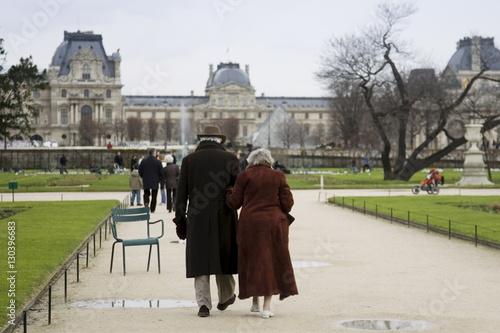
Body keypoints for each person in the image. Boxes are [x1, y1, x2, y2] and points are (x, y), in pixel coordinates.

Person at [174, 125, 240, 318]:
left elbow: (181, 195)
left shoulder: (189, 160)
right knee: (224, 254)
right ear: (219, 140)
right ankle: (225, 296)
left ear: (202, 140)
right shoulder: (230, 159)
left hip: (197, 213)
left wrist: (180, 220)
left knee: (200, 257)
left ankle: (203, 304)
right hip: (224, 212)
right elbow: (239, 190)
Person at [226, 148, 298, 319]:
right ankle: (266, 306)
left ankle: (255, 302)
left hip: (249, 224)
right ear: (269, 161)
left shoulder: (244, 176)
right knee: (270, 261)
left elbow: (234, 203)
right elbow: (288, 203)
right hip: (273, 224)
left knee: (252, 260)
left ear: (251, 161)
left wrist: (229, 191)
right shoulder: (278, 175)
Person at [139, 148, 163, 213]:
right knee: (154, 195)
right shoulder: (158, 162)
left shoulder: (143, 161)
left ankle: (146, 203)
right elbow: (161, 172)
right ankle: (152, 209)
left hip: (146, 180)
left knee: (146, 193)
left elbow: (140, 171)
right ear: (154, 153)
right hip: (155, 180)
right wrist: (158, 179)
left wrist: (143, 177)